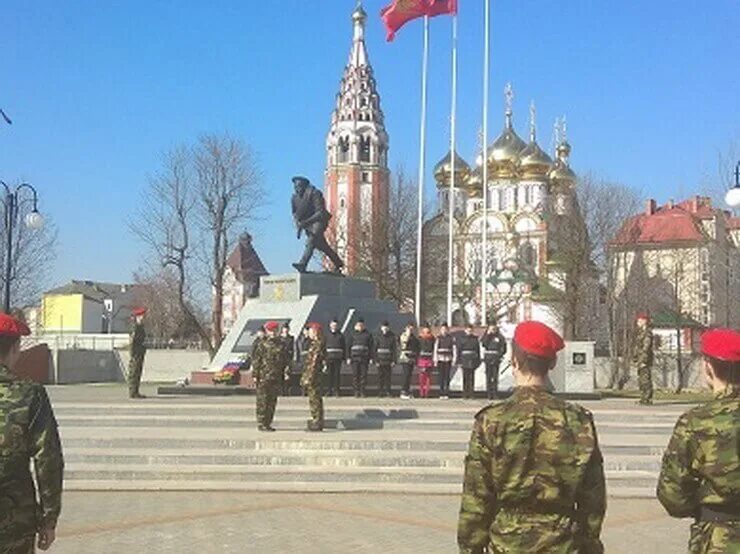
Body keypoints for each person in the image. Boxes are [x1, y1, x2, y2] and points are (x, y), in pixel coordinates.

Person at [458, 320, 606, 553]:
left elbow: (476, 498)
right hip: (564, 543)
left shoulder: (492, 421)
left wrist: (470, 548)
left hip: (507, 543)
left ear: (513, 360)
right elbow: (593, 497)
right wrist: (589, 544)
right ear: (553, 363)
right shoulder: (578, 420)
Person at [657, 327, 739, 553]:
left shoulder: (696, 421)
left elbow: (672, 493)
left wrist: (701, 506)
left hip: (717, 537)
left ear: (708, 366)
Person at [0, 312, 64, 552]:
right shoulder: (30, 395)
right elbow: (47, 458)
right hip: (15, 518)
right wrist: (49, 519)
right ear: (16, 348)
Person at [291, 175, 344, 273]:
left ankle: (303, 264)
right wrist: (298, 225)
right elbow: (295, 214)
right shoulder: (294, 198)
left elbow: (320, 212)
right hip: (307, 224)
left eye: (299, 186)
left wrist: (305, 223)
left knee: (311, 241)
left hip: (319, 221)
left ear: (304, 186)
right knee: (322, 246)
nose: (297, 189)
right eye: (295, 187)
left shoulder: (315, 193)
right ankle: (338, 262)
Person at [252, 321, 291, 432]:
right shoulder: (262, 344)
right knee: (262, 401)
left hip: (276, 376)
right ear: (267, 331)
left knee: (272, 401)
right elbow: (256, 360)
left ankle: (268, 423)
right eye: (270, 330)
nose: (273, 333)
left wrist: (286, 372)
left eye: (275, 330)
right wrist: (255, 375)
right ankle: (261, 422)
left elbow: (286, 360)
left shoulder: (281, 344)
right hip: (263, 377)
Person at [301, 322, 326, 432]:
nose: (308, 332)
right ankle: (316, 420)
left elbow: (314, 363)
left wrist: (308, 377)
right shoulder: (315, 343)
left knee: (315, 399)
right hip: (314, 375)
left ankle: (317, 421)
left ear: (315, 331)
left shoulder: (317, 344)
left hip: (314, 376)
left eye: (310, 330)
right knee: (314, 399)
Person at [347, 318, 373, 398]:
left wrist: (371, 358)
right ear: (356, 326)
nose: (360, 327)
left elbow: (371, 347)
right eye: (358, 325)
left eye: (361, 325)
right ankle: (356, 391)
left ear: (364, 326)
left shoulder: (368, 335)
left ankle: (362, 391)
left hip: (364, 358)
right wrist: (348, 357)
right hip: (354, 358)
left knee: (363, 376)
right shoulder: (352, 334)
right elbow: (348, 346)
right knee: (355, 376)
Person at [632, 313, 654, 405]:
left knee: (645, 379)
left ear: (644, 321)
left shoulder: (647, 333)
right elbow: (638, 348)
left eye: (639, 321)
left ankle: (647, 398)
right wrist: (636, 357)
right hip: (640, 358)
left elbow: (646, 348)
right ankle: (643, 397)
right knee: (641, 379)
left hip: (645, 359)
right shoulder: (641, 333)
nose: (637, 323)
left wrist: (644, 360)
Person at [481, 323, 507, 400]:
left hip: (496, 358)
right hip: (488, 358)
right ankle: (489, 394)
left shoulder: (500, 337)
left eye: (494, 329)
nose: (493, 330)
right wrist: (488, 335)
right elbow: (484, 344)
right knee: (488, 376)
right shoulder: (486, 336)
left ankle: (495, 393)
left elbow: (504, 347)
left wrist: (500, 354)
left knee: (495, 377)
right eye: (491, 329)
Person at [128, 307, 148, 399]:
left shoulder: (140, 326)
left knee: (138, 371)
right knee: (134, 372)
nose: (143, 317)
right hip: (136, 353)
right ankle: (132, 392)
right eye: (141, 316)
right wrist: (133, 354)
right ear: (137, 316)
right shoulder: (135, 327)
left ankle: (136, 391)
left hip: (139, 352)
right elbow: (132, 341)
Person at [457, 324, 481, 400]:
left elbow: (478, 350)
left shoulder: (475, 339)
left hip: (472, 359)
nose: (469, 331)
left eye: (471, 330)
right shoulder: (461, 339)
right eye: (468, 330)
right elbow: (459, 351)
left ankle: (471, 394)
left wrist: (478, 360)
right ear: (465, 330)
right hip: (464, 359)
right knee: (465, 377)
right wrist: (459, 361)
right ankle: (465, 394)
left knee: (471, 377)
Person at [374, 321, 397, 398]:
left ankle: (388, 392)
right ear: (381, 328)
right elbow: (375, 349)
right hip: (380, 360)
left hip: (388, 360)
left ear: (388, 328)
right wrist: (376, 360)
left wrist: (394, 360)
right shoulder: (378, 336)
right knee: (380, 377)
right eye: (384, 326)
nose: (385, 328)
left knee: (388, 378)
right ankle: (380, 392)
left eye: (386, 327)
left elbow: (394, 350)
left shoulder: (392, 336)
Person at [325, 318, 345, 397]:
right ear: (330, 325)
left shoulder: (341, 335)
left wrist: (344, 358)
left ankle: (337, 391)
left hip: (338, 358)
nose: (334, 326)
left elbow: (344, 347)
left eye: (335, 325)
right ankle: (329, 391)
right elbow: (324, 347)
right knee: (329, 375)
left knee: (337, 375)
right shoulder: (327, 335)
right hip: (329, 358)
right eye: (333, 325)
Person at [399, 323, 419, 400]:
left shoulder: (414, 337)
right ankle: (403, 391)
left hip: (412, 358)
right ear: (406, 328)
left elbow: (416, 346)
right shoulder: (403, 335)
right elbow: (404, 343)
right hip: (405, 358)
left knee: (409, 375)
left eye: (412, 329)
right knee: (406, 375)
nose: (411, 330)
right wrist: (407, 334)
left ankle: (407, 391)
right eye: (409, 329)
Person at [434, 323, 455, 400]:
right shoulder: (438, 338)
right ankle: (441, 392)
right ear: (440, 330)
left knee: (447, 376)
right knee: (441, 377)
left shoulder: (451, 338)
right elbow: (435, 349)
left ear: (448, 330)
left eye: (445, 329)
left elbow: (454, 349)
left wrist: (454, 359)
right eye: (443, 329)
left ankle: (446, 393)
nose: (444, 331)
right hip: (440, 359)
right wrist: (435, 360)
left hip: (448, 359)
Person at [417, 324, 435, 399]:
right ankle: (421, 393)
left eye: (428, 331)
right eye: (424, 331)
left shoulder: (433, 339)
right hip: (422, 360)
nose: (426, 333)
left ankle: (427, 393)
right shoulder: (419, 339)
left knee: (428, 378)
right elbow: (417, 349)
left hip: (429, 360)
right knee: (421, 378)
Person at [280, 323, 295, 396]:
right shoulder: (279, 338)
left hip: (288, 358)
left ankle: (287, 391)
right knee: (280, 375)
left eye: (287, 328)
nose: (285, 330)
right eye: (284, 328)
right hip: (280, 359)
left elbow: (292, 349)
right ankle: (281, 391)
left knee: (288, 375)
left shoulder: (291, 338)